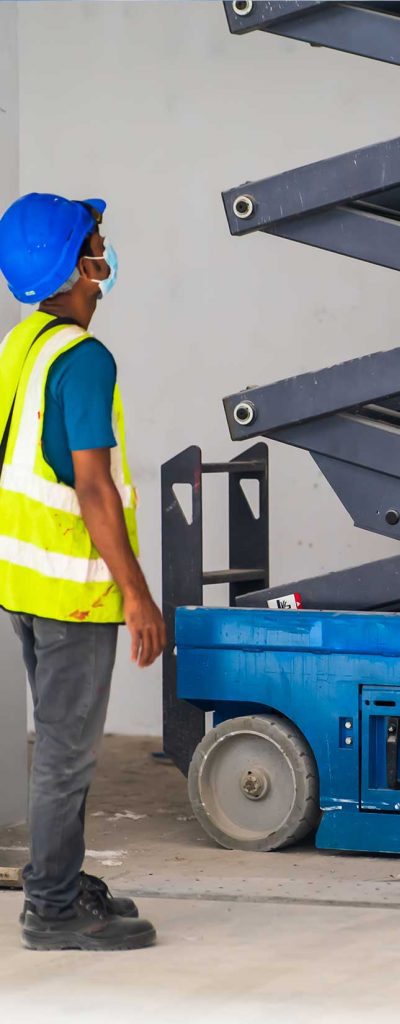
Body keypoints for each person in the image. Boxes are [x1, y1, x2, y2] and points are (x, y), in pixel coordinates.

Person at [0, 193, 165, 951]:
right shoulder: (84, 359)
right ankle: (53, 912)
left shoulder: (22, 345)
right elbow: (93, 488)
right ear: (75, 267)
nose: (106, 254)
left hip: (24, 585)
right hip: (72, 593)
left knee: (64, 749)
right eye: (96, 241)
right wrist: (137, 595)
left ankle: (57, 880)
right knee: (67, 755)